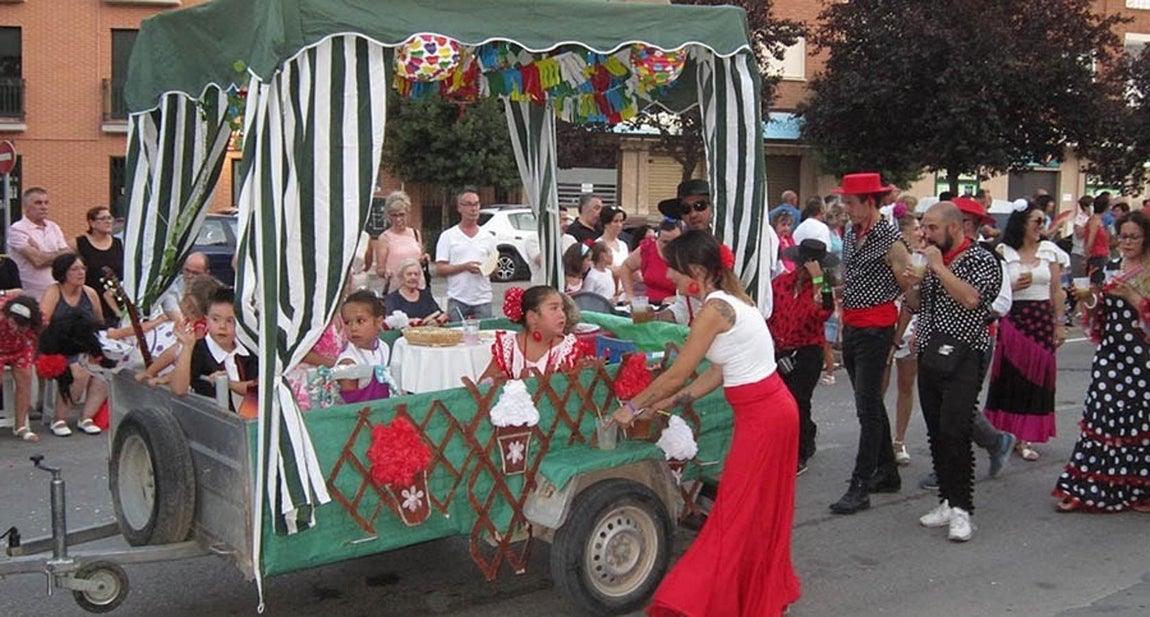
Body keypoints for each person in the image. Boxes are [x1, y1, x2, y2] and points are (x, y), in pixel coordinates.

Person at [608, 230, 801, 616]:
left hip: (766, 417)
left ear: (696, 269)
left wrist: (632, 405)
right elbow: (717, 371)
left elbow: (680, 372)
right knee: (756, 511)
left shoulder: (716, 308)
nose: (671, 279)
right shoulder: (727, 300)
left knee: (737, 511)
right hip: (770, 412)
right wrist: (666, 404)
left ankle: (709, 599)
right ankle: (754, 594)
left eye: (675, 272)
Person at [906, 202, 1003, 542]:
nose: (925, 234)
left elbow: (972, 299)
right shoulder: (932, 260)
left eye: (932, 228)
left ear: (955, 227)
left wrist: (938, 267)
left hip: (966, 353)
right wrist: (912, 284)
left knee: (955, 428)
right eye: (923, 227)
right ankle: (947, 499)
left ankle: (963, 509)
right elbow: (919, 306)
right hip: (932, 352)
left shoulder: (981, 259)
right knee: (936, 429)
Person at [1053, 211, 1150, 512]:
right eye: (1124, 236)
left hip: (1142, 355)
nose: (1128, 242)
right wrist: (1088, 299)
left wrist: (1132, 297)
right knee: (1101, 414)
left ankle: (1138, 489)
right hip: (1111, 352)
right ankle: (1088, 486)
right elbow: (1100, 311)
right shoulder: (1111, 267)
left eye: (1134, 236)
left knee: (1138, 419)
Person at [828, 173, 913, 515]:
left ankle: (859, 485)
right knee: (870, 404)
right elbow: (849, 275)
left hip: (877, 330)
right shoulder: (850, 232)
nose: (845, 208)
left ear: (869, 202)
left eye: (850, 202)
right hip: (853, 325)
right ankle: (888, 472)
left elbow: (910, 290)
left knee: (867, 406)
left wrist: (897, 338)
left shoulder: (891, 239)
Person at [983, 203, 1066, 462]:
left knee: (1038, 378)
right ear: (1022, 223)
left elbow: (1056, 289)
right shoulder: (1004, 251)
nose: (1041, 226)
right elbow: (992, 288)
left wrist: (1060, 322)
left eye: (1043, 221)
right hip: (1015, 318)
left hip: (1040, 319)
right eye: (1036, 221)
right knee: (1013, 377)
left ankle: (1027, 435)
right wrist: (1013, 286)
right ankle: (1008, 431)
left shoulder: (1050, 251)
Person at [771, 239, 837, 476]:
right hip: (781, 349)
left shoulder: (823, 286)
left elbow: (823, 312)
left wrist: (818, 279)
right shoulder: (780, 283)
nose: (803, 268)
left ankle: (798, 453)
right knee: (783, 401)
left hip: (808, 349)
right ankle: (806, 432)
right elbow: (770, 314)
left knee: (799, 400)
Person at [170, 287, 258, 414]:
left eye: (230, 321)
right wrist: (187, 347)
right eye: (215, 319)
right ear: (206, 320)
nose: (222, 326)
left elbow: (259, 388)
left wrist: (228, 384)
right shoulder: (198, 350)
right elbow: (178, 389)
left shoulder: (249, 351)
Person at [479, 286, 591, 381]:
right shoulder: (509, 347)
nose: (562, 314)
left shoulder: (569, 349)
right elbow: (484, 386)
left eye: (562, 308)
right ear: (533, 317)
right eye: (554, 308)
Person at [888, 212, 923, 466]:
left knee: (906, 383)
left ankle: (899, 440)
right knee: (880, 383)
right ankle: (878, 439)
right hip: (890, 321)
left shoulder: (926, 256)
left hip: (913, 325)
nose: (921, 232)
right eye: (917, 228)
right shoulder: (894, 252)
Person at [435, 190, 496, 320]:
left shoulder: (488, 237)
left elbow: (495, 269)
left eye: (476, 204)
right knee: (457, 337)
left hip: (482, 299)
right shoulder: (448, 236)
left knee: (484, 337)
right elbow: (440, 269)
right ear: (459, 208)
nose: (473, 209)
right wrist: (464, 267)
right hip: (457, 299)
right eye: (468, 204)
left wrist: (487, 268)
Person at [7, 187, 72, 301]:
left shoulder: (53, 227)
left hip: (59, 293)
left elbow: (68, 257)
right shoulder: (17, 229)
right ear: (26, 206)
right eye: (38, 203)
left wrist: (43, 254)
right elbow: (38, 261)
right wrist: (59, 254)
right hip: (32, 296)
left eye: (46, 203)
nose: (44, 207)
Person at [336, 290, 391, 403]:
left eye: (360, 321)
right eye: (347, 322)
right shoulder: (348, 362)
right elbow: (350, 405)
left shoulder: (384, 347)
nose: (353, 328)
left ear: (379, 322)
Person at [74, 206, 124, 327]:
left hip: (115, 298)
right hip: (91, 297)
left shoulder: (118, 243)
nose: (108, 221)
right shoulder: (80, 243)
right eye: (103, 218)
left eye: (109, 218)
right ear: (92, 222)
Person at [1, 296, 42, 441]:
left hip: (20, 348)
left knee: (25, 377)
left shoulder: (34, 324)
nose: (15, 327)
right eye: (13, 323)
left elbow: (35, 342)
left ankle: (20, 426)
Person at [373, 191, 429, 294]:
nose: (398, 219)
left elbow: (418, 260)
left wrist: (424, 259)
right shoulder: (385, 238)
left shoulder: (415, 233)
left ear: (408, 213)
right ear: (389, 216)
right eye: (394, 215)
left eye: (402, 214)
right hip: (396, 290)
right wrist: (385, 273)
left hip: (418, 287)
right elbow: (380, 269)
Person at [619, 219, 683, 305]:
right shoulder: (647, 249)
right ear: (658, 238)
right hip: (649, 304)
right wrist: (629, 294)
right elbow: (626, 266)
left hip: (676, 305)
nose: (669, 246)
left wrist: (678, 298)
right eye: (664, 242)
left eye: (674, 242)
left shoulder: (687, 254)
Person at [384, 259, 447, 324]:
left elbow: (439, 313)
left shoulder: (425, 295)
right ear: (401, 277)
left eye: (416, 274)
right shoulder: (392, 298)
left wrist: (437, 321)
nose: (413, 277)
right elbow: (390, 321)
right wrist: (411, 321)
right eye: (409, 274)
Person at [158, 252, 213, 323]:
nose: (189, 276)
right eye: (187, 270)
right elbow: (177, 318)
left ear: (207, 273)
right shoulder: (172, 287)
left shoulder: (214, 289)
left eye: (195, 273)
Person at [1084, 194, 1111, 281]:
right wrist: (1087, 257)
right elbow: (1090, 241)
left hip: (1101, 255)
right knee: (1096, 282)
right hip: (1097, 256)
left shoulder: (1098, 221)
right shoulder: (1095, 222)